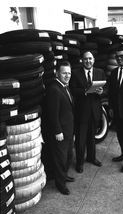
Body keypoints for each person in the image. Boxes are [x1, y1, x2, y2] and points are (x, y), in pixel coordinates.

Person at [69, 51, 106, 173]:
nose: (88, 61)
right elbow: (73, 90)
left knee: (92, 137)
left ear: (93, 60)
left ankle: (91, 157)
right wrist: (85, 91)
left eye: (90, 59)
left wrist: (102, 93)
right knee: (80, 139)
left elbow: (106, 89)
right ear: (82, 60)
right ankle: (79, 163)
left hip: (95, 111)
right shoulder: (75, 73)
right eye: (85, 59)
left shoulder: (100, 72)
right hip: (81, 112)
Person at [45, 61, 74, 195]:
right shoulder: (54, 89)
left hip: (68, 130)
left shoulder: (64, 87)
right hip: (60, 132)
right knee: (60, 159)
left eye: (69, 73)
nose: (67, 75)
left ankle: (64, 176)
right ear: (57, 73)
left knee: (68, 156)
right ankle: (60, 184)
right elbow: (52, 114)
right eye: (64, 73)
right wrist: (58, 131)